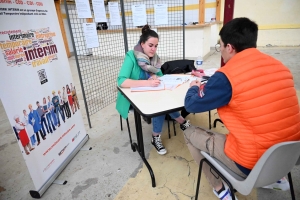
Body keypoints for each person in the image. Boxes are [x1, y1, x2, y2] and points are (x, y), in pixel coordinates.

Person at [183, 17, 300, 200]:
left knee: (189, 133)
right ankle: (277, 179)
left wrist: (194, 86)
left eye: (220, 46)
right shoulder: (280, 67)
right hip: (288, 156)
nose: (220, 51)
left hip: (251, 161)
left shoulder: (227, 76)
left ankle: (220, 189)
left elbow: (192, 105)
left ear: (229, 47)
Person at [116, 24, 191, 155]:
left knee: (164, 99)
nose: (153, 49)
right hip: (132, 98)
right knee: (159, 106)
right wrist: (147, 82)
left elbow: (160, 76)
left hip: (149, 93)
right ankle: (159, 135)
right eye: (151, 45)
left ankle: (177, 123)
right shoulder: (131, 56)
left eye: (156, 46)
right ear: (142, 44)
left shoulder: (154, 58)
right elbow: (121, 81)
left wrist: (155, 76)